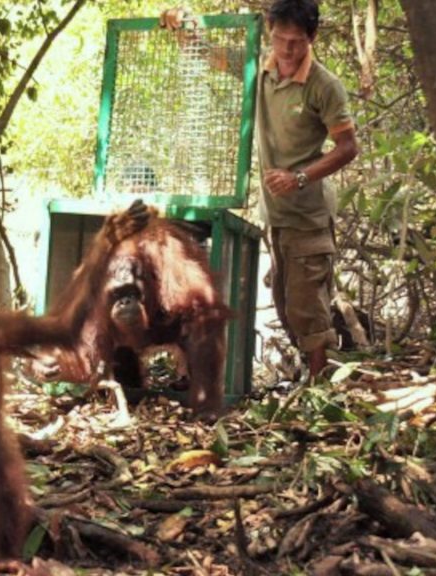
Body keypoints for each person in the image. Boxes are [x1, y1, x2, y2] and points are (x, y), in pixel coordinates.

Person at [161, 0, 358, 378]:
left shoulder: (324, 86)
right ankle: (310, 381)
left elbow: (348, 147)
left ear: (311, 38)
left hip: (308, 216)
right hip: (275, 214)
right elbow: (206, 52)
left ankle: (319, 394)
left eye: (296, 42)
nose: (287, 49)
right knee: (284, 307)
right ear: (269, 31)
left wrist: (300, 177)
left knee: (308, 310)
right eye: (280, 38)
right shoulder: (259, 68)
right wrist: (182, 23)